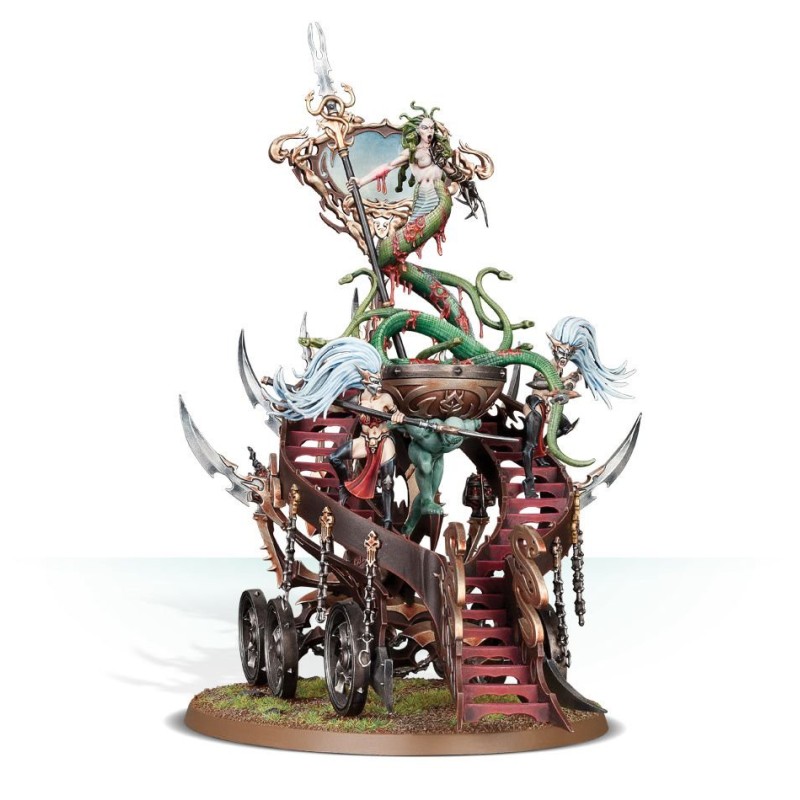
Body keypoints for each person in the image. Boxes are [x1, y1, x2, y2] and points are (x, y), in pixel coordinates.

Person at [268, 337, 404, 528]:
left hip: (383, 441)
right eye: (374, 379)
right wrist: (321, 400)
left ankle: (388, 521)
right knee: (334, 458)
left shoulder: (386, 399)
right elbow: (336, 409)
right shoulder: (358, 401)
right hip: (365, 441)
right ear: (364, 379)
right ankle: (343, 486)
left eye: (379, 378)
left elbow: (397, 414)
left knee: (388, 481)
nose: (378, 384)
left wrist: (397, 416)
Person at [522, 316, 634, 498]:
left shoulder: (558, 369)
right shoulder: (546, 366)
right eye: (561, 351)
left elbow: (559, 383)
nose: (565, 356)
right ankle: (529, 482)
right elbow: (538, 383)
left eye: (569, 352)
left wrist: (573, 377)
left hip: (548, 407)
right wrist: (562, 386)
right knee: (529, 445)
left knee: (565, 427)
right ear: (554, 348)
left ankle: (541, 451)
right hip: (536, 406)